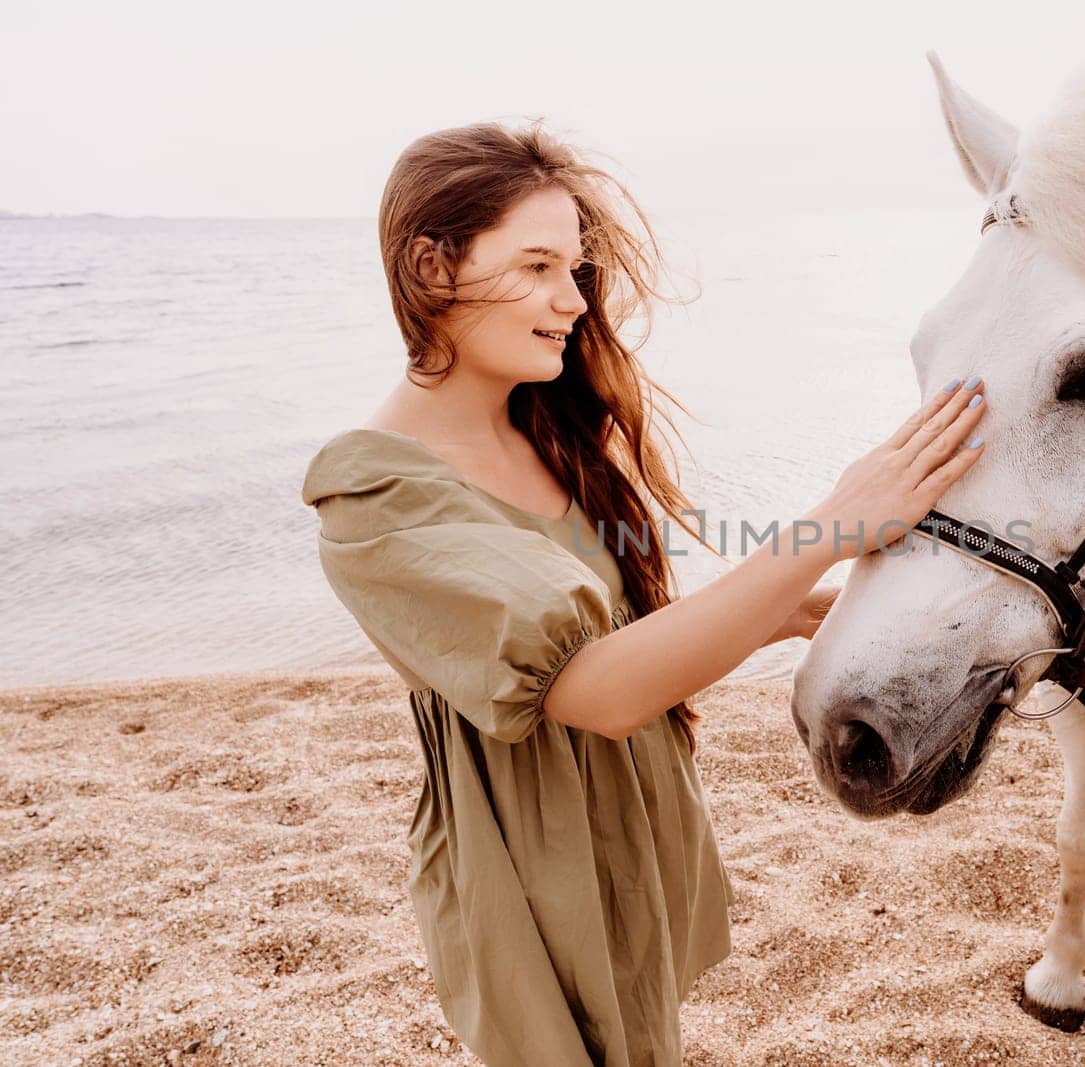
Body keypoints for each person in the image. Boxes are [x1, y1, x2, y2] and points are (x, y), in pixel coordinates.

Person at [300, 120, 988, 1066]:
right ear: (430, 268)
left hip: (620, 825)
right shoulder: (374, 499)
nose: (574, 299)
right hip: (529, 868)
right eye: (538, 265)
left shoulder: (541, 430)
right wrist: (834, 521)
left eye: (575, 269)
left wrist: (765, 617)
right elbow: (597, 691)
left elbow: (610, 638)